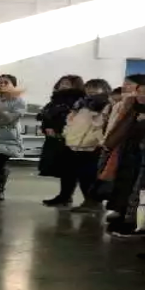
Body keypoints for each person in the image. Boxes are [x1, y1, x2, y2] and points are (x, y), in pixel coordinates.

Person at [102, 75, 145, 236]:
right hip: (128, 150)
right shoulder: (132, 107)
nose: (141, 96)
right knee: (124, 183)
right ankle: (122, 212)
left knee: (138, 187)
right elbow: (120, 128)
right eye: (139, 91)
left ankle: (133, 221)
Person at [62, 78, 113, 212]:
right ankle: (87, 202)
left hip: (94, 146)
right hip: (77, 144)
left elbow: (102, 125)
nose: (91, 91)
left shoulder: (106, 105)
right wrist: (67, 134)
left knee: (91, 177)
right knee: (82, 176)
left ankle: (93, 203)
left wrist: (98, 140)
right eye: (89, 88)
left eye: (95, 88)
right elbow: (71, 122)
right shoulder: (80, 104)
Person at [38, 75, 87, 206]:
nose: (63, 85)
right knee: (63, 169)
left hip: (73, 138)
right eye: (62, 83)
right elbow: (46, 116)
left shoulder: (80, 101)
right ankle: (64, 196)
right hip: (55, 139)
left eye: (68, 83)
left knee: (73, 169)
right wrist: (46, 128)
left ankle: (80, 198)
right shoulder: (54, 100)